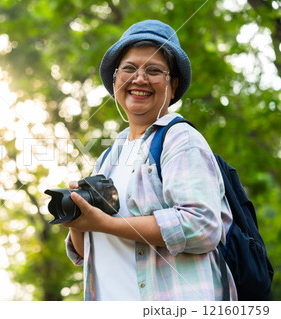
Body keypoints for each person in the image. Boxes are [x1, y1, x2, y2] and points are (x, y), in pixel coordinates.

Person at [63, 20, 237, 301]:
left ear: (173, 84)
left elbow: (202, 226)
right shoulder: (110, 156)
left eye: (154, 71)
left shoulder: (180, 139)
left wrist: (104, 224)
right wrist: (77, 219)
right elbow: (91, 251)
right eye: (129, 69)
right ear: (116, 79)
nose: (139, 79)